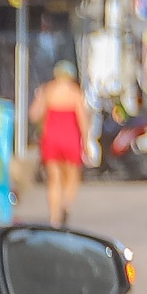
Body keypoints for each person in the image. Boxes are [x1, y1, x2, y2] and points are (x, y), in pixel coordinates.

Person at [31, 61, 90, 227]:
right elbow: (82, 120)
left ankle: (53, 218)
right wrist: (85, 141)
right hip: (70, 138)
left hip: (51, 137)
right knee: (72, 176)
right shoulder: (75, 93)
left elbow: (34, 115)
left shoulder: (47, 90)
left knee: (53, 179)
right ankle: (65, 204)